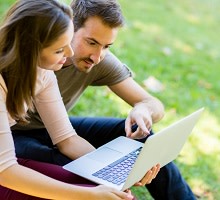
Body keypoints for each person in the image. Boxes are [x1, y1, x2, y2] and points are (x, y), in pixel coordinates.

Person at [11, 0, 196, 199]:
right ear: (68, 27)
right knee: (68, 163)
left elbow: (152, 103)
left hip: (56, 129)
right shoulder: (29, 63)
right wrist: (113, 173)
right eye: (91, 42)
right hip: (12, 134)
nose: (97, 56)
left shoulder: (93, 62)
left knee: (140, 138)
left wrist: (143, 110)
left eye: (107, 46)